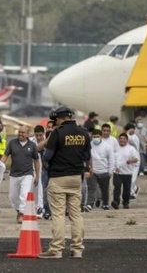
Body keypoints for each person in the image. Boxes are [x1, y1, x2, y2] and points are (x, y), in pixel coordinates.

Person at [40, 107, 90, 259]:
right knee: (76, 214)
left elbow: (47, 156)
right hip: (76, 177)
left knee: (58, 214)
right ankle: (77, 249)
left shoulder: (57, 133)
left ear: (59, 119)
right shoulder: (83, 133)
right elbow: (87, 156)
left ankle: (56, 249)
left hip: (59, 177)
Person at [1, 125, 40, 223]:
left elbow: (36, 160)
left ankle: (22, 214)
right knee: (13, 197)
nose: (20, 134)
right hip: (14, 174)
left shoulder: (32, 145)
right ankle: (19, 210)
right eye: (19, 132)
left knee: (24, 194)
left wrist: (37, 175)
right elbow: (5, 156)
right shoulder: (12, 143)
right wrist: (0, 166)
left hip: (27, 174)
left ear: (27, 134)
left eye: (23, 132)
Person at [111, 134, 139, 210]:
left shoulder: (131, 149)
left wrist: (131, 161)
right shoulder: (115, 148)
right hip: (117, 172)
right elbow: (112, 159)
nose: (122, 140)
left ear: (126, 140)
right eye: (120, 139)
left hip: (127, 172)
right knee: (117, 186)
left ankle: (126, 202)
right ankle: (116, 202)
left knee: (126, 188)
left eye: (124, 139)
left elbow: (136, 159)